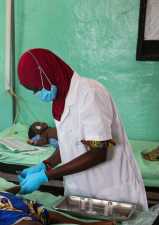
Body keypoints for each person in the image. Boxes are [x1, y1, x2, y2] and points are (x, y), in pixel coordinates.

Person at [16, 49, 148, 212]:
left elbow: (98, 154)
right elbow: (69, 142)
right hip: (80, 192)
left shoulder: (90, 93)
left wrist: (45, 177)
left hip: (110, 191)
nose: (36, 94)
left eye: (36, 88)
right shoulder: (59, 98)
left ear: (47, 74)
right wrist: (46, 165)